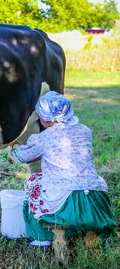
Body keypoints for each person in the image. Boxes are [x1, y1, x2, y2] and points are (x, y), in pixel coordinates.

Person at [8, 91, 116, 250]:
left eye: (40, 116)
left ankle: (41, 239)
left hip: (63, 199)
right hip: (94, 197)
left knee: (33, 182)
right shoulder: (85, 131)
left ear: (46, 119)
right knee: (93, 180)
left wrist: (12, 151)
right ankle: (83, 229)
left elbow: (22, 157)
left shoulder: (44, 138)